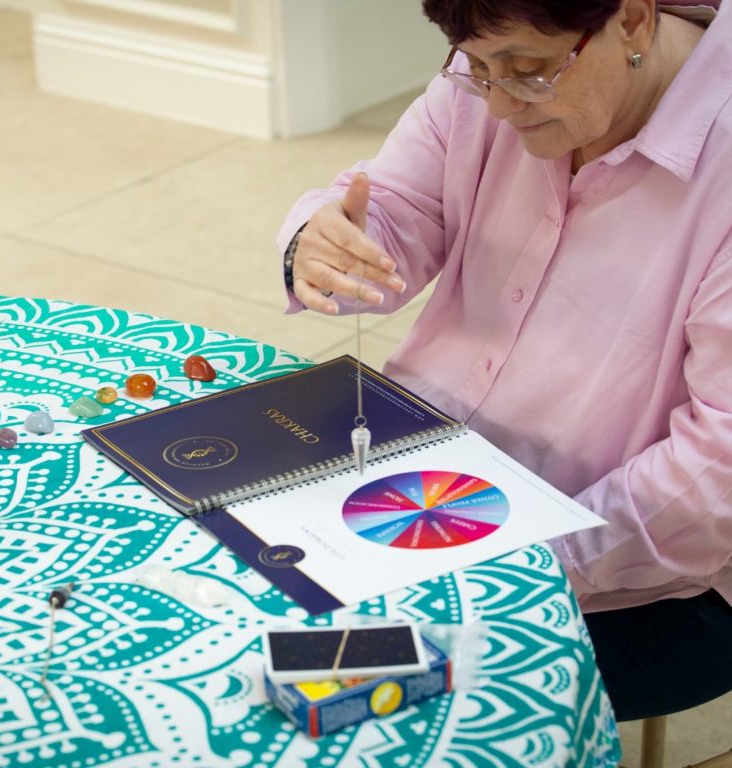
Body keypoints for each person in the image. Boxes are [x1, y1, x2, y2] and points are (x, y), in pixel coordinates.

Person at [277, 0, 732, 723]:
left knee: (360, 714)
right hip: (422, 494)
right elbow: (392, 210)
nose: (496, 104)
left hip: (637, 585)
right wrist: (327, 243)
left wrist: (506, 560)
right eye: (475, 69)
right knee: (235, 599)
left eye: (528, 73)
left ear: (636, 20)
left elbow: (716, 477)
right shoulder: (488, 77)